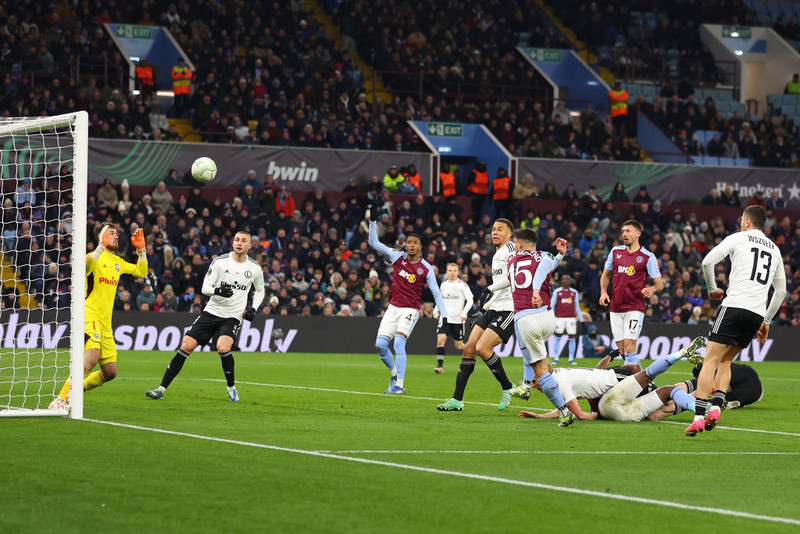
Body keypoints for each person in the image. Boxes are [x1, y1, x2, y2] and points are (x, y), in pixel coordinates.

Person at [686, 205, 785, 436]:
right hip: (756, 313)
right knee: (726, 361)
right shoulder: (775, 250)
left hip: (734, 306)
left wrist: (712, 289)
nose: (741, 222)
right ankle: (717, 409)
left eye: (742, 218)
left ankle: (699, 416)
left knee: (710, 360)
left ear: (748, 222)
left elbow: (707, 262)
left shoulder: (738, 238)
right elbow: (780, 292)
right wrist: (767, 320)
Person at [145, 231, 266, 401]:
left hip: (232, 315)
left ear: (249, 245)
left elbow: (260, 290)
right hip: (211, 311)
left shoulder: (254, 268)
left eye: (244, 240)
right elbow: (205, 287)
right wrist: (217, 290)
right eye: (237, 240)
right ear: (232, 243)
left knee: (223, 347)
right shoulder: (219, 262)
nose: (239, 243)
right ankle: (161, 389)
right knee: (186, 345)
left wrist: (253, 308)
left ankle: (231, 387)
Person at [49, 225, 148, 409]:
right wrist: (99, 248)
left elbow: (141, 272)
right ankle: (60, 399)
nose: (116, 236)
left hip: (105, 323)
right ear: (102, 237)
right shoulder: (91, 258)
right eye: (111, 233)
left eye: (117, 233)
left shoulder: (117, 262)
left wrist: (141, 251)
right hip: (88, 314)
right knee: (92, 355)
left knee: (110, 372)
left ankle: (75, 393)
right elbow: (84, 267)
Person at [436, 219, 519, 412]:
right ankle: (457, 399)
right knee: (469, 348)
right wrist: (483, 308)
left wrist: (489, 288)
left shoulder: (510, 250)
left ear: (510, 235)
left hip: (508, 308)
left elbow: (512, 277)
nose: (495, 232)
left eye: (500, 230)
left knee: (483, 348)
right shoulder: (498, 253)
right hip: (494, 307)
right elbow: (498, 290)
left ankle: (508, 387)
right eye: (493, 229)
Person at [518, 337, 705, 422]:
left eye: (535, 381)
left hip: (615, 388)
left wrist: (595, 417)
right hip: (612, 394)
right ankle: (702, 397)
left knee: (656, 400)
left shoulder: (562, 382)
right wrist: (540, 416)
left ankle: (701, 391)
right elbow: (565, 407)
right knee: (659, 405)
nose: (534, 386)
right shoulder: (562, 376)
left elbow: (579, 414)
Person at [367, 210, 447, 394]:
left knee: (398, 344)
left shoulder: (426, 268)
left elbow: (436, 292)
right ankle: (394, 374)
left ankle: (400, 385)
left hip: (410, 310)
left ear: (420, 248)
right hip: (393, 308)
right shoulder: (397, 256)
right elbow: (373, 243)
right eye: (409, 242)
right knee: (380, 345)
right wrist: (372, 221)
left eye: (414, 243)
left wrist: (444, 314)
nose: (411, 245)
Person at [599, 220, 664, 371]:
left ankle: (640, 385)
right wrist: (603, 292)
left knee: (629, 347)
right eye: (623, 232)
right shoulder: (615, 252)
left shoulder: (647, 257)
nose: (624, 235)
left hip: (634, 308)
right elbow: (605, 275)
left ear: (637, 234)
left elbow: (660, 284)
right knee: (623, 350)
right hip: (615, 308)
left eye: (628, 231)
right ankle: (643, 381)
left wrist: (652, 289)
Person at [433, 263, 474, 374]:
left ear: (458, 272)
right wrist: (436, 310)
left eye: (454, 270)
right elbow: (440, 300)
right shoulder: (443, 285)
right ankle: (440, 366)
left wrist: (464, 313)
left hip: (457, 320)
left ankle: (470, 357)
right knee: (440, 340)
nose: (452, 272)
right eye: (450, 270)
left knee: (459, 345)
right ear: (446, 272)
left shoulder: (462, 285)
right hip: (445, 319)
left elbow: (470, 299)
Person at [551, 274, 583, 365]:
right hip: (559, 318)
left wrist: (582, 320)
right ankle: (556, 358)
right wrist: (550, 316)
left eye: (567, 279)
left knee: (572, 337)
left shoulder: (574, 292)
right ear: (561, 281)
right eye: (564, 279)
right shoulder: (557, 292)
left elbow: (577, 307)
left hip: (571, 318)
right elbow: (552, 305)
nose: (566, 281)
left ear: (570, 281)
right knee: (557, 336)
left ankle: (571, 359)